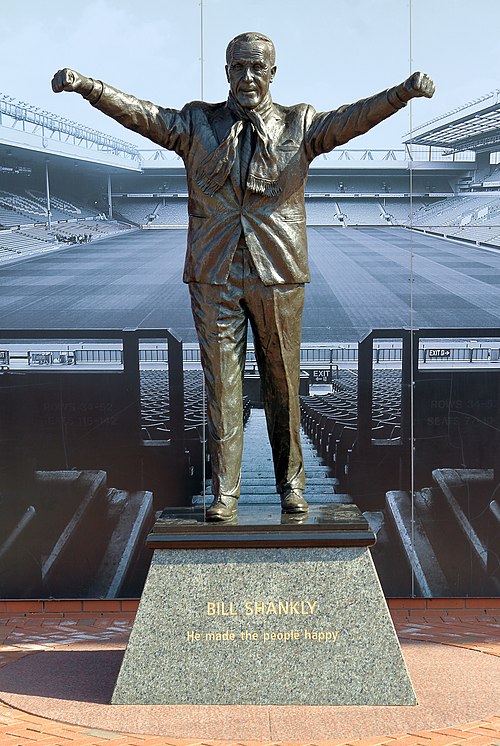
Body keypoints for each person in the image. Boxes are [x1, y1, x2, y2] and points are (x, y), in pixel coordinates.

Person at [52, 32, 434, 522]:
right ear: (226, 71)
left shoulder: (301, 122)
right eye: (239, 67)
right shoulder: (197, 122)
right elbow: (143, 114)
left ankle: (292, 487)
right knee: (221, 388)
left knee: (283, 385)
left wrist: (401, 93)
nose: (248, 77)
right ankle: (224, 493)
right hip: (214, 274)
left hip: (277, 272)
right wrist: (91, 87)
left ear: (273, 73)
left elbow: (353, 120)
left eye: (258, 68)